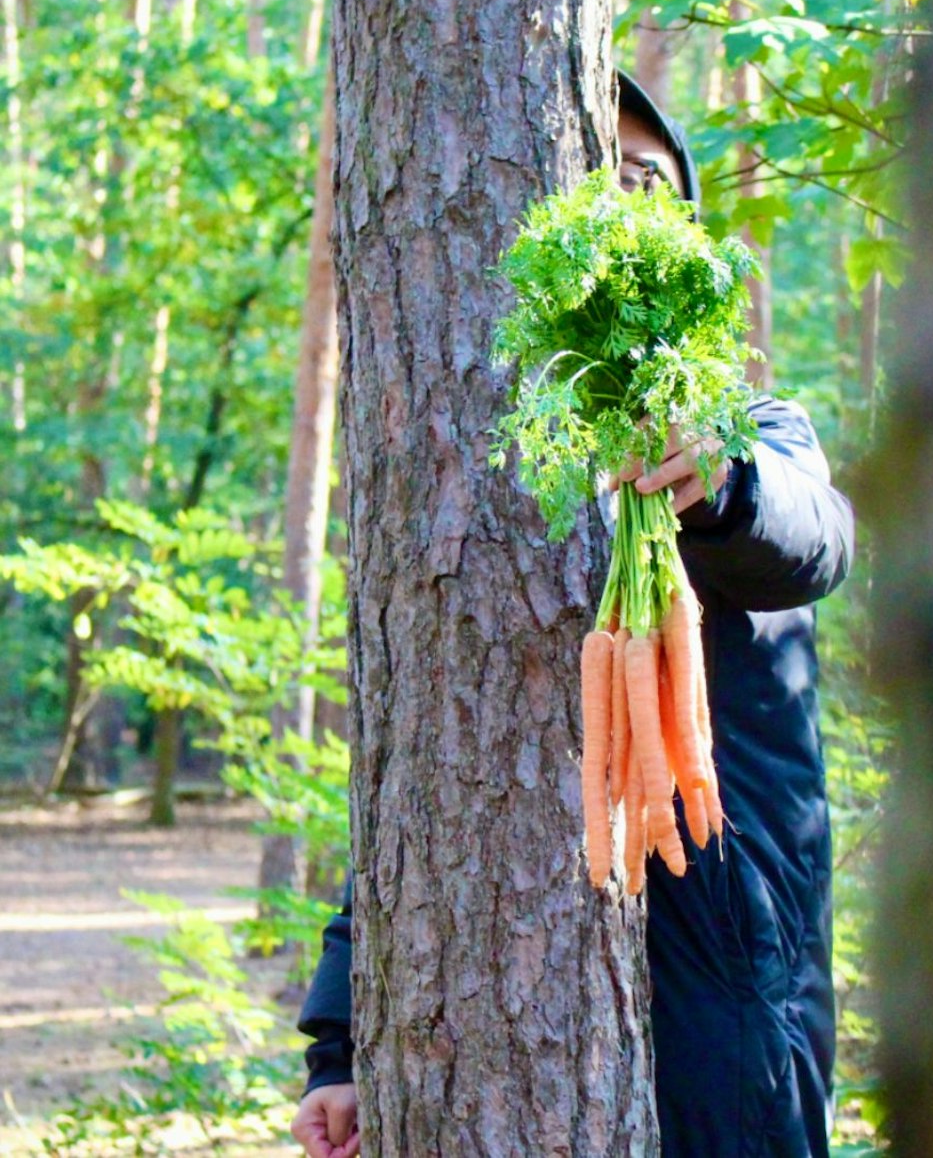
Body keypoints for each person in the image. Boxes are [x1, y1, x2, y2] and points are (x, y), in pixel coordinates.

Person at [289, 72, 855, 1158]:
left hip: (731, 966)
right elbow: (416, 773)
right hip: (509, 979)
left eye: (644, 178)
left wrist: (720, 481)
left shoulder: (752, 432)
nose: (619, 200)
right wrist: (344, 1044)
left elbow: (814, 540)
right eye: (594, 172)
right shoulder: (479, 478)